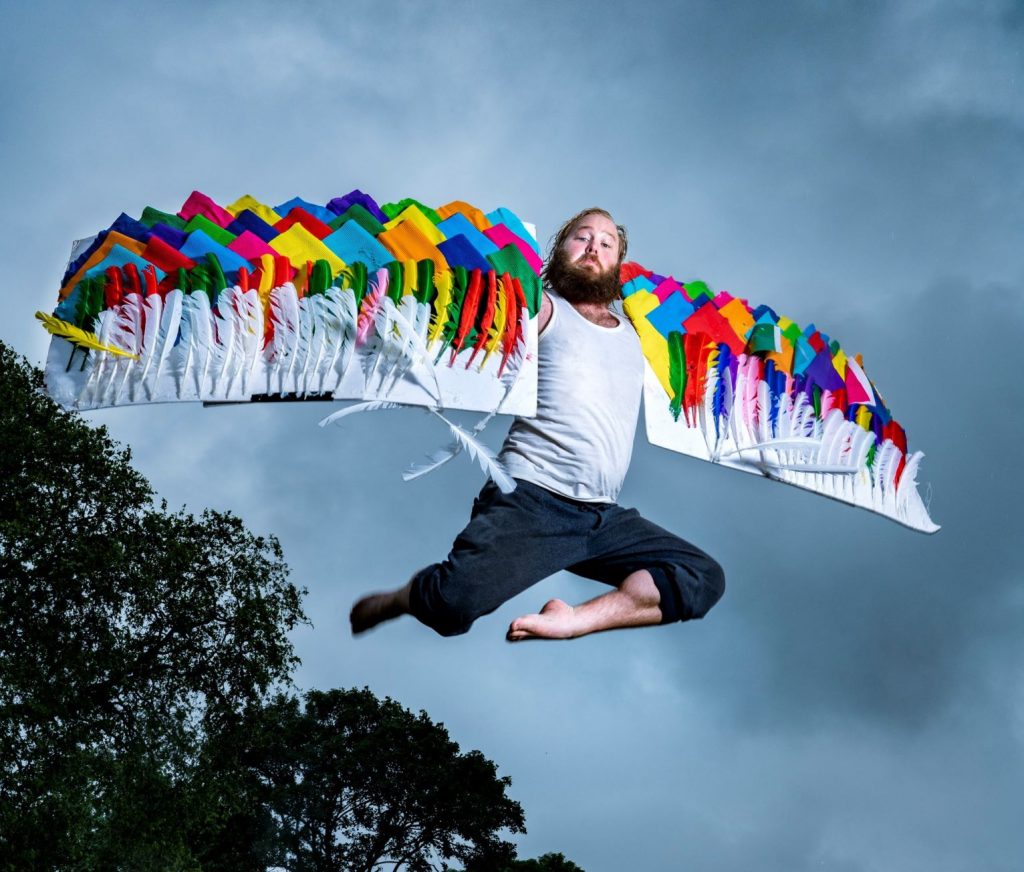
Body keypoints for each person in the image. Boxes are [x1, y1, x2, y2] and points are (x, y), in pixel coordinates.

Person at [350, 208, 725, 641]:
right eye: (581, 238)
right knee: (451, 609)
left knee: (702, 577)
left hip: (602, 516)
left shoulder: (637, 335)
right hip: (533, 499)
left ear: (618, 265)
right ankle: (400, 598)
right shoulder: (545, 310)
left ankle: (573, 621)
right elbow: (462, 287)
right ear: (559, 250)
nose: (592, 248)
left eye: (606, 244)